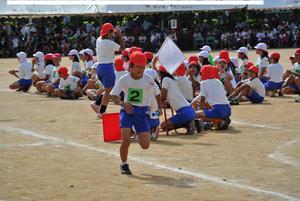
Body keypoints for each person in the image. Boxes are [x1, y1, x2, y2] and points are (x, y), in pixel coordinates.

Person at [110, 51, 161, 175]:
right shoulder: (124, 79)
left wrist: (157, 108)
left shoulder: (148, 79)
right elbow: (113, 95)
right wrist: (122, 103)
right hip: (127, 112)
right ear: (131, 66)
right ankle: (124, 164)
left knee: (145, 145)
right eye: (138, 66)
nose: (141, 69)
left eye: (143, 66)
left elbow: (157, 93)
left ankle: (138, 131)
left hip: (142, 113)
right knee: (126, 141)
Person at [96, 23, 125, 118]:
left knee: (109, 91)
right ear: (108, 32)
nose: (113, 34)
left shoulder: (99, 40)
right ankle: (100, 111)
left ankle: (97, 105)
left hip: (100, 67)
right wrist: (120, 36)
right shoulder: (109, 43)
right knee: (109, 92)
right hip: (107, 68)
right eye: (112, 32)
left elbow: (109, 40)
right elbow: (122, 49)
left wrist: (112, 35)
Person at [159, 65, 196, 134]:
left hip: (184, 112)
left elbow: (163, 95)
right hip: (189, 109)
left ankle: (186, 125)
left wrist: (158, 100)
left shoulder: (165, 79)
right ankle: (187, 123)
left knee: (163, 125)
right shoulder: (172, 80)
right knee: (165, 125)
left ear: (161, 73)